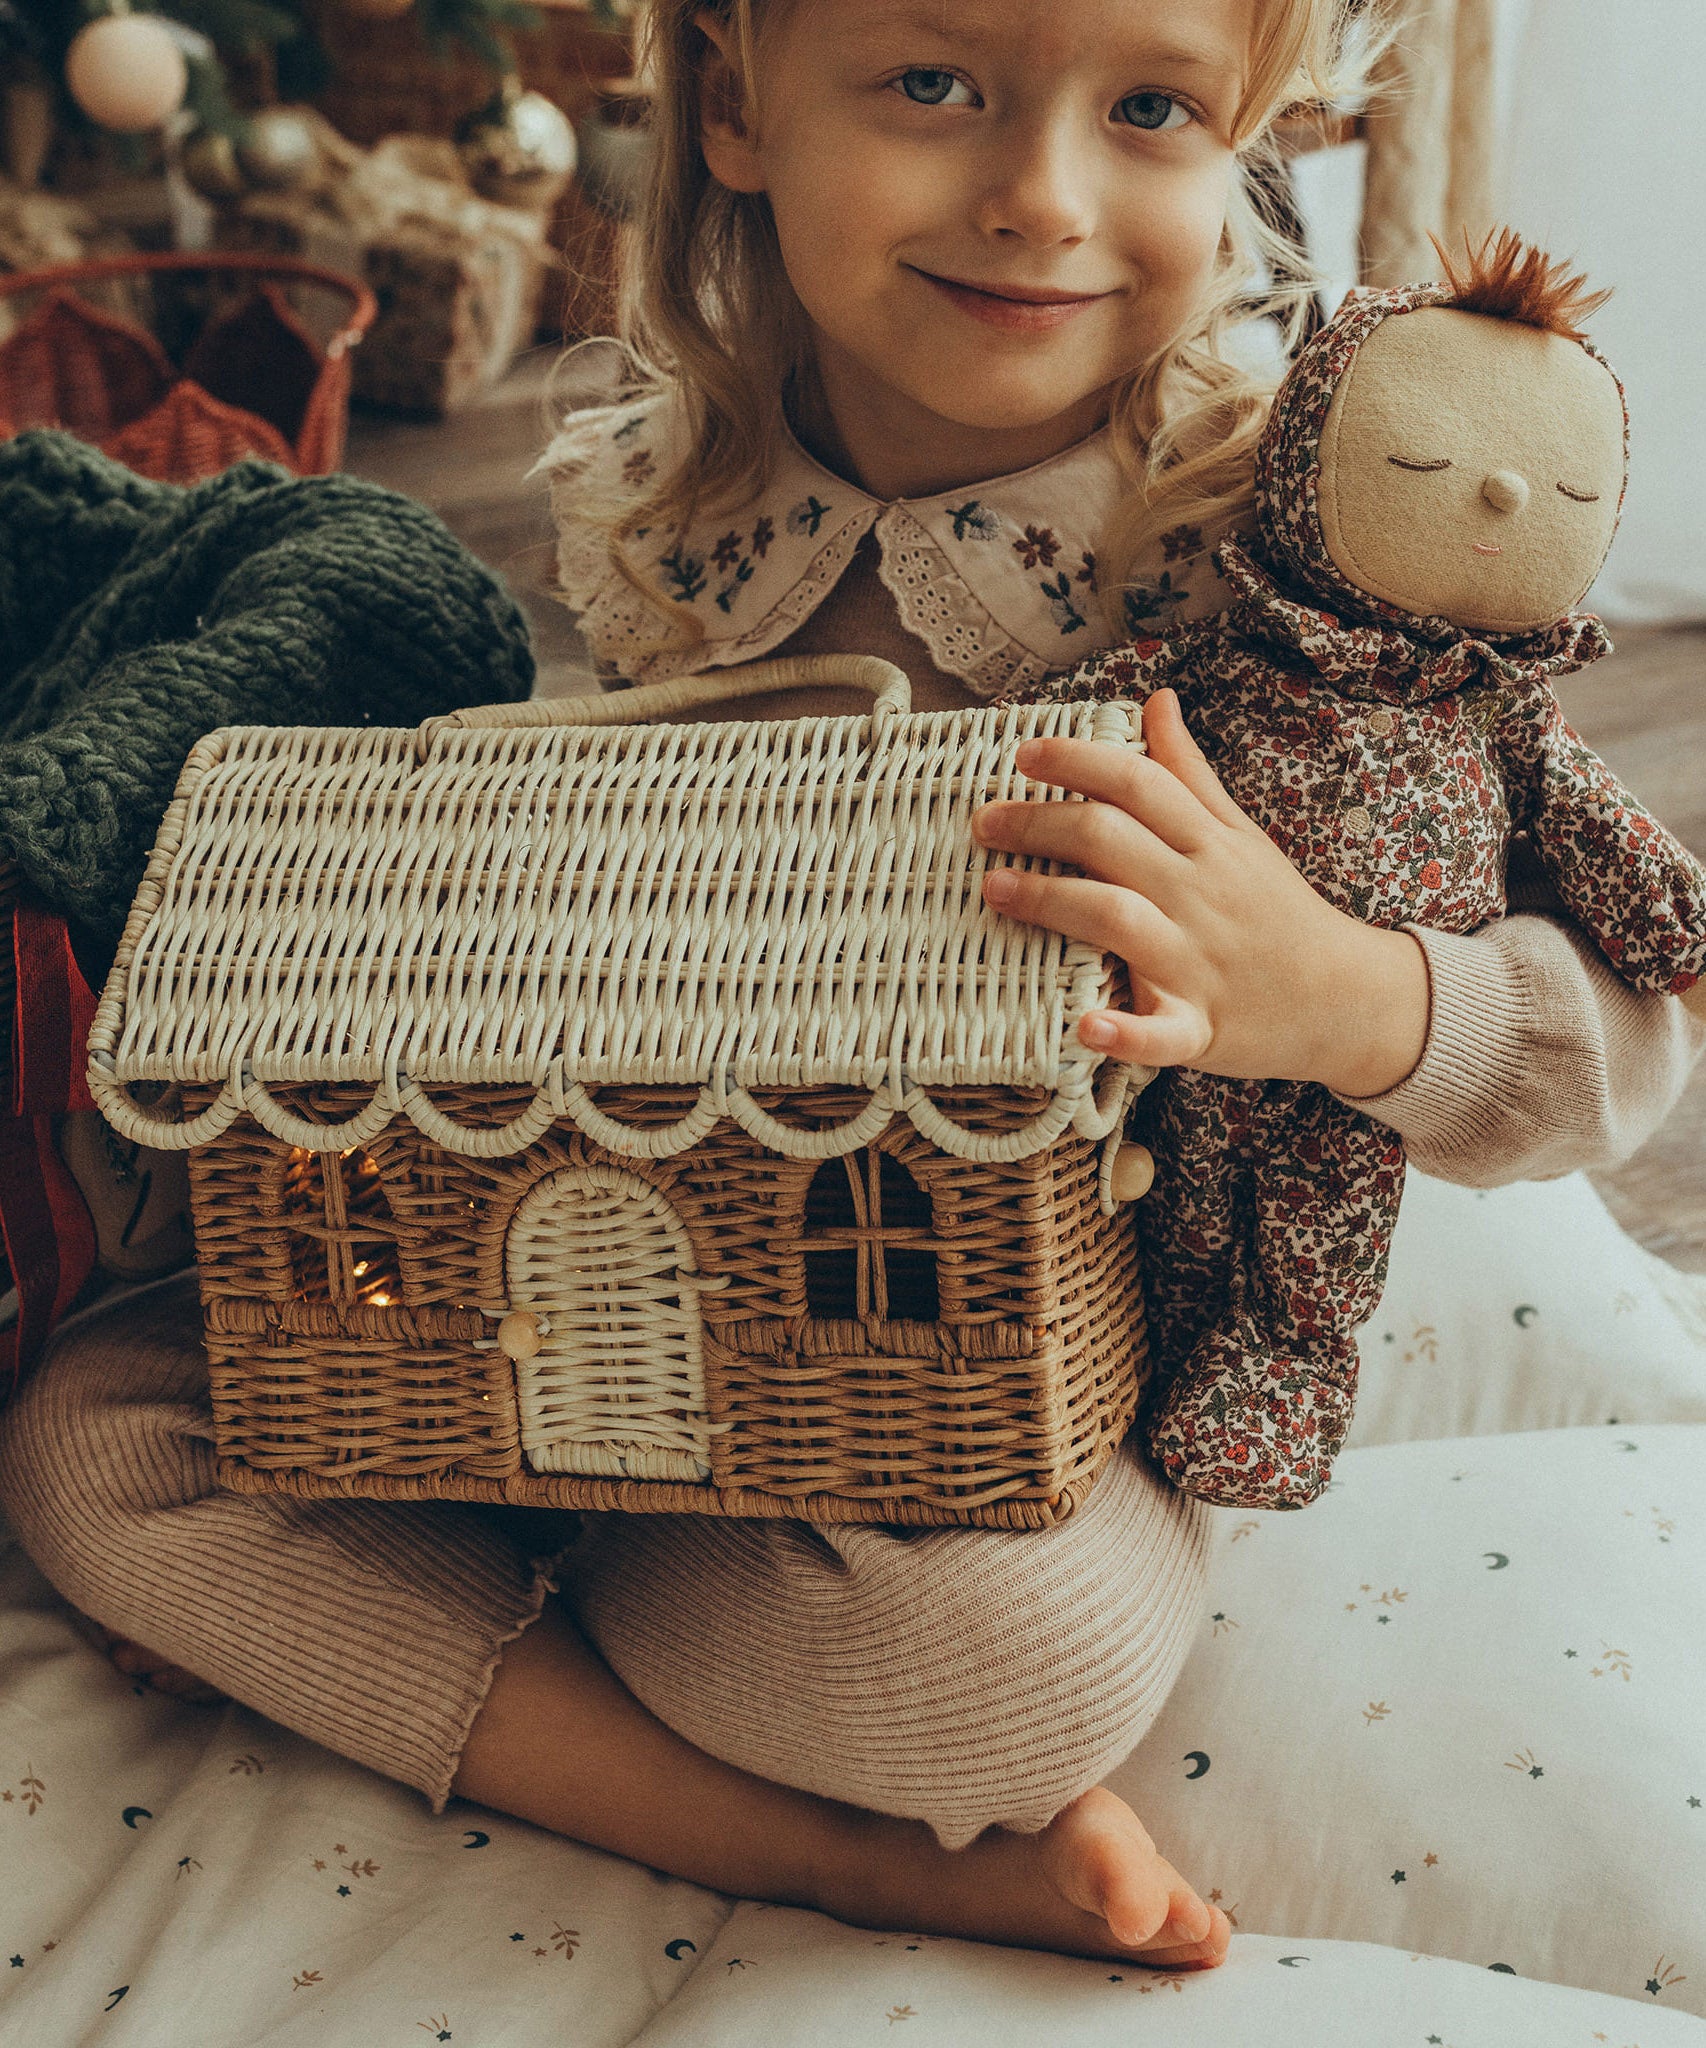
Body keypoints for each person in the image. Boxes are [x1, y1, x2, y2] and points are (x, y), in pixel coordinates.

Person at [3, 0, 1701, 1976]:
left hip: (1060, 1365)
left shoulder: (1297, 548)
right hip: (664, 1252)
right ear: (732, 101)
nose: (1040, 200)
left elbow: (1629, 1037)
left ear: (1250, 127)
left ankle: (606, 1642)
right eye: (932, 84)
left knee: (1000, 1669)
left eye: (1148, 107)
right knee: (97, 1439)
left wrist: (1324, 992)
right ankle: (797, 1813)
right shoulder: (675, 507)